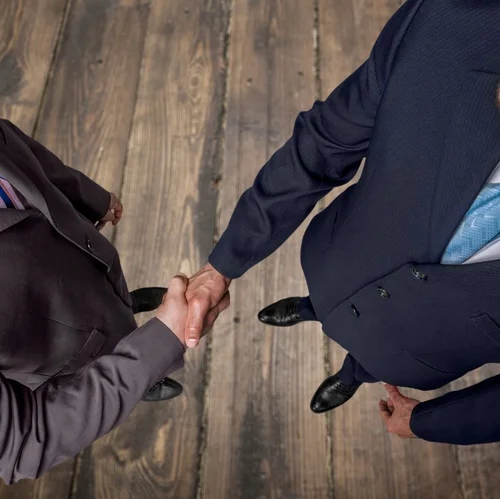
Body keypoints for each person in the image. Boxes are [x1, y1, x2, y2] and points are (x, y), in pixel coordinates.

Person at [0, 41, 228, 484]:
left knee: (107, 300)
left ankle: (121, 310)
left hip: (79, 251)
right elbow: (23, 439)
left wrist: (74, 189)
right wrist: (155, 348)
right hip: (68, 358)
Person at [184, 0, 500, 445]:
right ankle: (308, 307)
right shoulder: (450, 19)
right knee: (323, 298)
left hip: (418, 349)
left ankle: (352, 376)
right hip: (336, 256)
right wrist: (222, 264)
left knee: (372, 360)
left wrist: (428, 422)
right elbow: (324, 141)